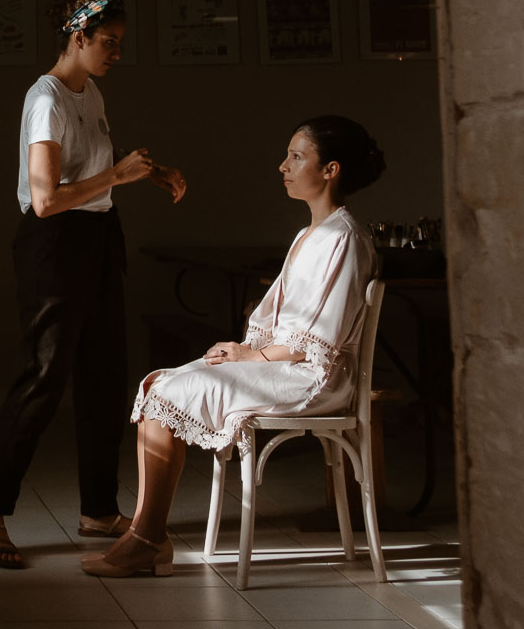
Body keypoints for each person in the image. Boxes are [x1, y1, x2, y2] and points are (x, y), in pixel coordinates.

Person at [80, 114, 383, 578]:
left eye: (297, 157)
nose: (283, 166)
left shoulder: (342, 238)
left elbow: (319, 338)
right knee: (160, 383)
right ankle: (145, 535)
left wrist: (251, 356)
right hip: (285, 365)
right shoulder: (311, 234)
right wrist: (243, 348)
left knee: (165, 394)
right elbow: (285, 324)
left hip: (312, 378)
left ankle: (147, 540)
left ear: (331, 170)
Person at [0, 0, 187, 570]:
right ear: (77, 35)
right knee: (43, 379)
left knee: (105, 377)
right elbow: (45, 200)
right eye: (107, 42)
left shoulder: (88, 93)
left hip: (96, 240)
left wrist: (150, 173)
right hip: (54, 245)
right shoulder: (47, 99)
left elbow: (95, 171)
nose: (116, 52)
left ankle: (97, 508)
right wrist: (118, 175)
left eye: (119, 43)